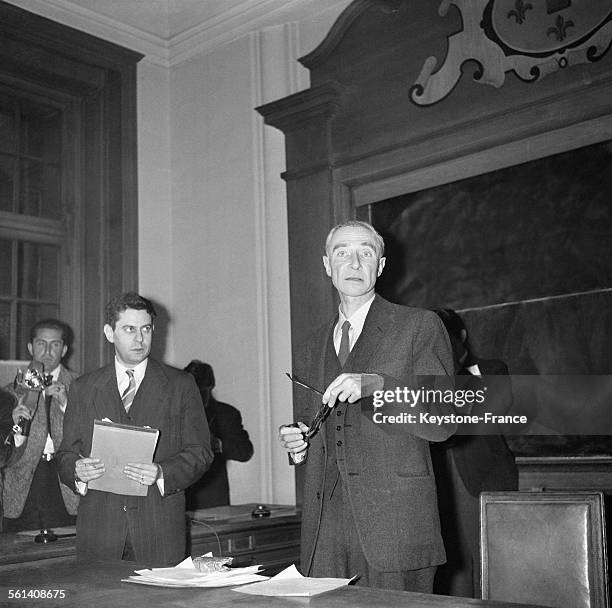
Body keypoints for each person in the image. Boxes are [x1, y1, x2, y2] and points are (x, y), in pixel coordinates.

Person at [278, 220, 455, 593]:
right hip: (325, 529)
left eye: (366, 252)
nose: (354, 262)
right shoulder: (310, 346)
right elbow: (313, 428)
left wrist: (377, 385)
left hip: (396, 526)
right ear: (327, 266)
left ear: (382, 264)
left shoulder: (419, 326)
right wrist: (298, 444)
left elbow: (443, 421)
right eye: (342, 252)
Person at [57, 292, 213, 565]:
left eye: (146, 329)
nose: (139, 339)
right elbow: (65, 456)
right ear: (109, 332)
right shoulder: (83, 388)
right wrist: (78, 471)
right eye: (129, 329)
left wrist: (162, 472)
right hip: (99, 532)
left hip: (159, 530)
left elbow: (201, 452)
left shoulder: (181, 385)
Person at [431, 308, 518, 598]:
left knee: (492, 563)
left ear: (461, 337)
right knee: (451, 566)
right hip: (438, 482)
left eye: (443, 336)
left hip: (485, 478)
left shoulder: (493, 370)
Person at [2, 319, 79, 532]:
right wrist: (14, 425)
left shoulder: (82, 387)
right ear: (30, 347)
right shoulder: (9, 393)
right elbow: (4, 452)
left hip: (66, 483)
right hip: (22, 486)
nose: (47, 350)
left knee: (67, 553)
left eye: (54, 344)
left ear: (64, 349)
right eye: (40, 343)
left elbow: (92, 438)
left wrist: (66, 404)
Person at [183, 360, 253, 509]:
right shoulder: (175, 413)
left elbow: (245, 451)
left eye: (199, 390)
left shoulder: (226, 414)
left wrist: (218, 444)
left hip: (212, 499)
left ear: (210, 387)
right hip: (180, 495)